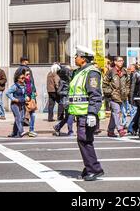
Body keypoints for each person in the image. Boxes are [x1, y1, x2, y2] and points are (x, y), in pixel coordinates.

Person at [68, 45, 104, 181]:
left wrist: (92, 113)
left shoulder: (91, 72)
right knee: (84, 140)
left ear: (83, 58)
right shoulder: (80, 72)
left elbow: (95, 94)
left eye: (76, 56)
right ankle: (89, 166)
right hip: (81, 113)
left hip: (86, 113)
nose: (75, 58)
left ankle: (94, 169)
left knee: (85, 141)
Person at [103, 56, 130, 138]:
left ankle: (110, 131)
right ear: (115, 62)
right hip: (113, 96)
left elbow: (128, 83)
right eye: (119, 61)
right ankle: (120, 129)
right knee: (117, 111)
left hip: (122, 96)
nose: (121, 62)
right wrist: (110, 92)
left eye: (122, 61)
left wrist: (127, 91)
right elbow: (104, 84)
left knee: (114, 114)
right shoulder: (110, 72)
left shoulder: (125, 72)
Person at [53, 65, 74, 136]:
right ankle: (70, 131)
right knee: (71, 115)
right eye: (69, 72)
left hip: (71, 99)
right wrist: (67, 93)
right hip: (66, 101)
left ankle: (57, 127)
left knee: (68, 117)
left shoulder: (71, 80)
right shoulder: (62, 81)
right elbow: (59, 92)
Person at [6, 72, 28, 138]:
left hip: (22, 103)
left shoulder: (25, 86)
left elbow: (27, 93)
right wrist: (13, 99)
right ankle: (21, 131)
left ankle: (15, 133)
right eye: (22, 78)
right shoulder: (15, 86)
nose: (23, 79)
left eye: (24, 78)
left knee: (20, 119)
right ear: (18, 79)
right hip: (15, 104)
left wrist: (27, 97)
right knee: (18, 117)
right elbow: (7, 93)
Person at [15, 56, 35, 126]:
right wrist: (34, 90)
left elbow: (15, 79)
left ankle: (22, 118)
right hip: (28, 88)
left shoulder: (17, 69)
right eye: (27, 60)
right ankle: (26, 119)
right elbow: (31, 80)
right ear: (24, 61)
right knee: (29, 104)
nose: (28, 62)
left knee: (22, 104)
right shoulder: (27, 69)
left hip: (20, 88)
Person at [127, 63, 140, 135]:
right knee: (137, 113)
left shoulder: (136, 74)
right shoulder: (135, 74)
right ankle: (131, 128)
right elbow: (132, 86)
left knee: (138, 113)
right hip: (137, 96)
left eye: (131, 67)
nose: (129, 68)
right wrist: (131, 97)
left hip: (136, 96)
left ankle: (132, 128)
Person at [24, 70, 38, 137]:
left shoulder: (31, 82)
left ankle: (31, 130)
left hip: (31, 101)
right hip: (24, 102)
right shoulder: (22, 83)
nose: (28, 76)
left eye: (29, 74)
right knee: (21, 117)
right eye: (27, 74)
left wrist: (34, 94)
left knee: (33, 115)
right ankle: (18, 131)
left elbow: (34, 90)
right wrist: (25, 97)